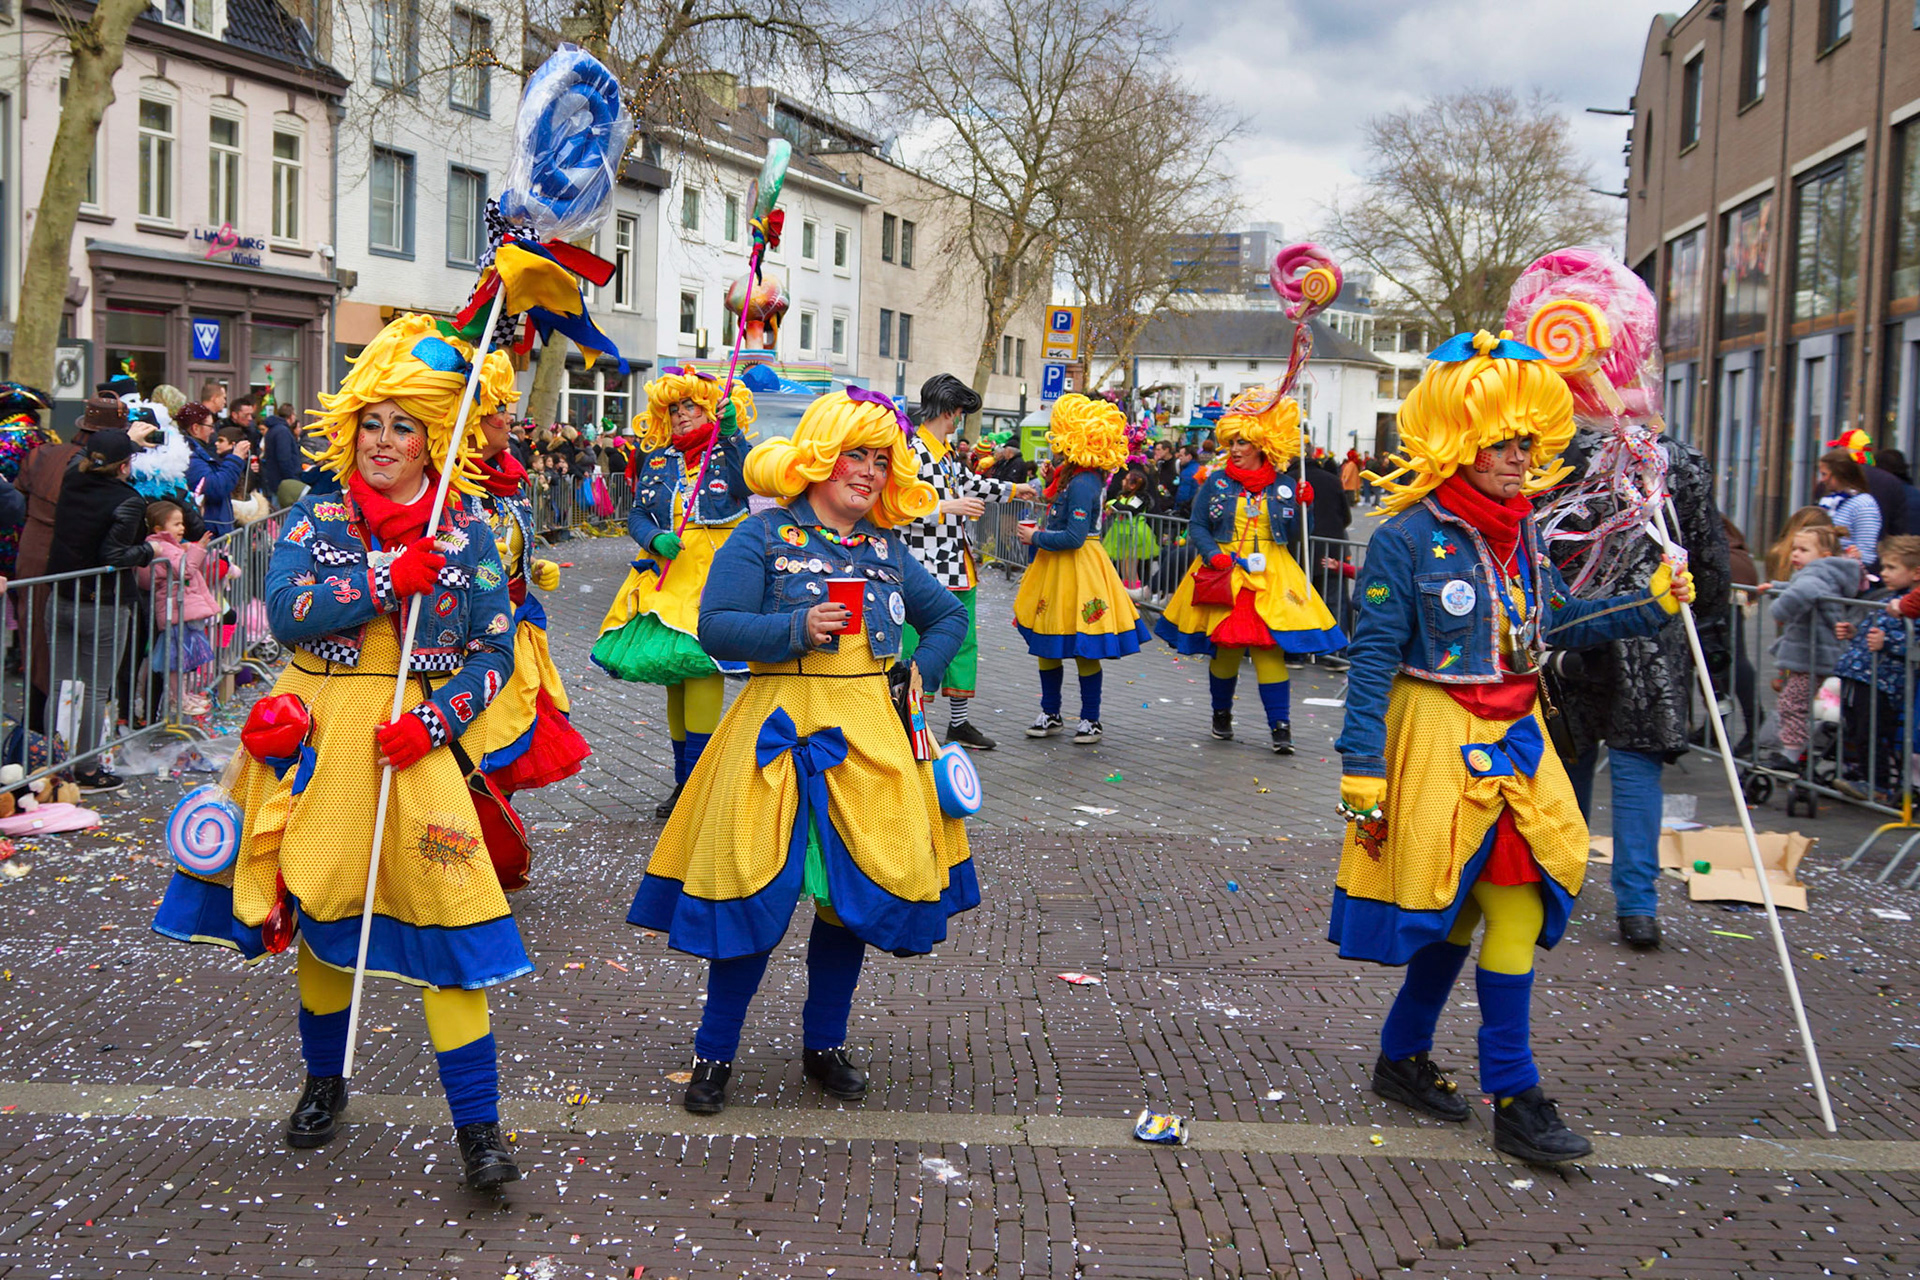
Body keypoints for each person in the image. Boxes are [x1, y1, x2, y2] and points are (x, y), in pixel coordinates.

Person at [150, 314, 526, 1191]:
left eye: (404, 426)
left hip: (413, 745)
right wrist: (387, 578)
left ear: (436, 437)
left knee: (451, 924)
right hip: (320, 734)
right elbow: (286, 612)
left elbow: (494, 652)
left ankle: (479, 1129)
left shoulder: (468, 528)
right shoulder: (316, 515)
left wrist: (437, 723)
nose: (383, 441)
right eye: (372, 422)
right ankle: (324, 1083)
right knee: (322, 915)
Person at [1333, 330, 1692, 1165]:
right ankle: (1511, 1092)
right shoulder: (1404, 538)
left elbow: (1560, 621)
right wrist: (1360, 764)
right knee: (1482, 907)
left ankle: (1410, 1059)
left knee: (1486, 907)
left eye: (1527, 441)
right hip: (1437, 738)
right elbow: (1372, 658)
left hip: (1519, 742)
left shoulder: (1523, 534)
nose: (1519, 457)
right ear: (1460, 440)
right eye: (1501, 442)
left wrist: (1651, 601)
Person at [626, 389, 973, 1116]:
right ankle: (713, 1054)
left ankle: (825, 1045)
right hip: (775, 736)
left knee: (848, 905)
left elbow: (946, 615)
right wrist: (795, 629)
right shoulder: (760, 535)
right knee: (752, 892)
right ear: (818, 457)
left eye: (880, 460)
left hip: (870, 740)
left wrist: (922, 669)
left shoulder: (887, 547)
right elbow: (717, 627)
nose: (869, 472)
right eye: (855, 455)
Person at [1545, 420, 1730, 952]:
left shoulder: (1558, 451)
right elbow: (1708, 561)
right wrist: (1702, 607)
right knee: (1633, 767)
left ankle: (1559, 881)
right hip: (1649, 635)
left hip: (1576, 624)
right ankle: (1636, 905)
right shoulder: (1677, 460)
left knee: (1571, 758)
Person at [591, 368, 754, 817]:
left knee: (702, 667)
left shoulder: (728, 450)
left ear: (711, 409)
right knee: (676, 678)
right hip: (668, 572)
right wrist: (652, 537)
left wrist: (732, 436)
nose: (682, 415)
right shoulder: (658, 459)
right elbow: (638, 514)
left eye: (692, 406)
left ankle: (697, 785)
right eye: (675, 408)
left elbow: (750, 484)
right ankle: (685, 782)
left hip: (718, 572)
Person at [1155, 388, 1346, 753]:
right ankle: (1221, 714)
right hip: (1226, 573)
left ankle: (1280, 726)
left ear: (1262, 444)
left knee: (1268, 651)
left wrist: (1305, 507)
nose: (1235, 449)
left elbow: (1300, 535)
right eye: (1232, 442)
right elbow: (1198, 526)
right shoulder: (1216, 482)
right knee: (1226, 650)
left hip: (1273, 575)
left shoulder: (1285, 485)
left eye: (1242, 442)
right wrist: (1214, 555)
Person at [457, 350, 592, 797]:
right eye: (497, 408)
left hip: (513, 628)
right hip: (461, 639)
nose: (509, 417)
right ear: (471, 418)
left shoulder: (509, 482)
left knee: (509, 742)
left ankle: (496, 829)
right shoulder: (443, 485)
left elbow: (513, 544)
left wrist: (531, 566)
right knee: (469, 750)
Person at [899, 373, 1036, 751]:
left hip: (959, 567)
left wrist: (1014, 489)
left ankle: (958, 724)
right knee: (919, 647)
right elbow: (896, 506)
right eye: (959, 412)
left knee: (963, 644)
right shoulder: (910, 453)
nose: (960, 420)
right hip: (923, 570)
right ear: (947, 410)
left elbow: (972, 484)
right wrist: (947, 507)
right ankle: (912, 724)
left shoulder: (945, 453)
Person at [1012, 394, 1153, 743]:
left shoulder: (1084, 481)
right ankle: (1052, 713)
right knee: (1049, 643)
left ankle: (1090, 718)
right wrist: (1050, 478)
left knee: (1083, 646)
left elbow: (1074, 537)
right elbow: (1053, 500)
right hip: (1058, 569)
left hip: (1077, 567)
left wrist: (1035, 537)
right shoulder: (1075, 475)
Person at [44, 428, 159, 791]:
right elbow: (115, 555)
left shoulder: (72, 481)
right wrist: (150, 550)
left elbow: (82, 459)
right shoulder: (128, 499)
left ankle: (52, 764)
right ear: (124, 466)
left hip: (62, 596)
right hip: (103, 604)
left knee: (60, 685)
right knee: (95, 689)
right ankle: (88, 769)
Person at [1765, 523, 1862, 771]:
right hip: (1816, 653)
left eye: (1803, 550)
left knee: (1792, 704)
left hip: (1812, 656)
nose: (1795, 554)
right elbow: (1803, 588)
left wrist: (1779, 609)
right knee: (1798, 703)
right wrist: (1776, 587)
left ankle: (1792, 754)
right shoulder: (1824, 573)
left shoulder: (1815, 576)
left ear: (1824, 556)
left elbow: (1803, 592)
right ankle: (1797, 752)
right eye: (1794, 548)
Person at [1833, 535, 1920, 802]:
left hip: (1885, 682)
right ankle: (1863, 774)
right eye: (1883, 567)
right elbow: (1874, 631)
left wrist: (1889, 643)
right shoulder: (1890, 598)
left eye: (1892, 567)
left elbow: (1914, 644)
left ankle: (1878, 783)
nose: (1884, 573)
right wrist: (1854, 632)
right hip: (1861, 674)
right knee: (1855, 728)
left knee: (1873, 732)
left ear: (1916, 573)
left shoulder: (1910, 606)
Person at [136, 499, 222, 717]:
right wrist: (198, 549)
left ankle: (182, 695)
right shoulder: (163, 547)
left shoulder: (166, 546)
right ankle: (178, 698)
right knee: (176, 659)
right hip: (175, 609)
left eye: (182, 523)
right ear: (159, 529)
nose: (182, 528)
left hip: (180, 608)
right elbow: (185, 571)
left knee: (183, 658)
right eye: (176, 524)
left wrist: (188, 549)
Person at [181, 403, 251, 535]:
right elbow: (216, 486)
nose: (212, 431)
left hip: (213, 526)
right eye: (210, 426)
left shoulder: (199, 451)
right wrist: (235, 458)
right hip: (209, 530)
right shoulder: (189, 455)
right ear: (195, 428)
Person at [1818, 449, 1882, 564]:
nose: (1822, 480)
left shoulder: (1863, 504)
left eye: (1824, 474)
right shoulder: (1829, 501)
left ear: (1839, 474)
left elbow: (1867, 553)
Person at [260, 405, 307, 508]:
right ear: (291, 416)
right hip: (282, 481)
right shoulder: (282, 431)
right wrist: (292, 478)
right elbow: (284, 458)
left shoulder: (273, 430)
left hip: (275, 479)